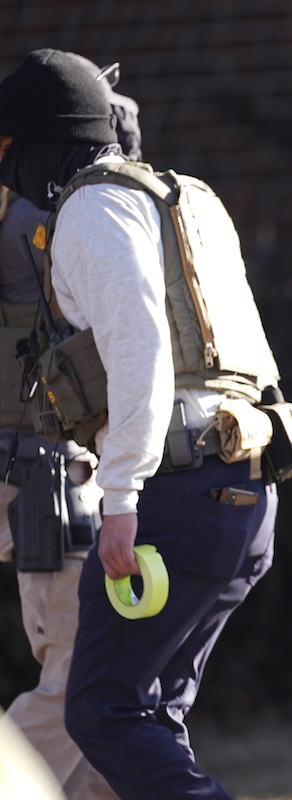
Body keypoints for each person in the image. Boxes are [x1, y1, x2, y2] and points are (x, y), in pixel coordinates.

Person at [0, 48, 292, 799]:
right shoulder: (186, 196)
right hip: (246, 482)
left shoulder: (88, 211)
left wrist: (122, 497)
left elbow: (141, 350)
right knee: (150, 718)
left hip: (173, 489)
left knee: (102, 713)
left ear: (41, 137)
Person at [0, 54, 140, 800]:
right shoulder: (38, 207)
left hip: (46, 461)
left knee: (85, 673)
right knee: (82, 676)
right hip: (43, 464)